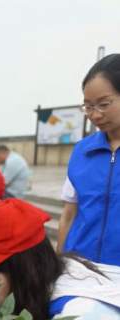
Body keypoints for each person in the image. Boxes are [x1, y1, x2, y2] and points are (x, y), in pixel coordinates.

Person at [57, 54, 120, 265]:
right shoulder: (82, 152)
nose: (95, 115)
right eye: (88, 106)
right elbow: (68, 214)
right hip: (81, 268)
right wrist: (59, 265)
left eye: (103, 104)